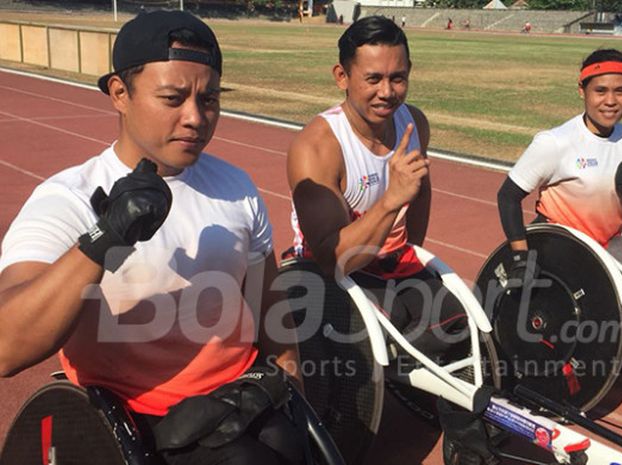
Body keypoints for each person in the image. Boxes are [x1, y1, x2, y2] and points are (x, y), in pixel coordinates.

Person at [0, 11, 303, 465]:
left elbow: (270, 311)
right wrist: (106, 237)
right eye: (173, 98)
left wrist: (289, 377)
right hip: (130, 422)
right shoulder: (69, 198)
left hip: (236, 405)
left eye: (210, 99)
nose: (195, 118)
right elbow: (7, 346)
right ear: (120, 93)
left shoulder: (237, 188)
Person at [286, 15, 497, 464]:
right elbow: (332, 259)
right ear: (342, 77)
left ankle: (469, 447)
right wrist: (389, 201)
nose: (388, 92)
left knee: (462, 321)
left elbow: (420, 193)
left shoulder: (412, 123)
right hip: (330, 278)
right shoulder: (318, 145)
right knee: (407, 325)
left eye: (398, 78)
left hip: (390, 262)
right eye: (374, 79)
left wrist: (413, 256)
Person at [497, 48, 622, 301]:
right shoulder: (555, 142)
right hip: (560, 245)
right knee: (601, 287)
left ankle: (608, 311)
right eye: (600, 90)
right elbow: (507, 196)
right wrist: (520, 256)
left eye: (621, 91)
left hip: (606, 244)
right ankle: (598, 310)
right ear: (582, 91)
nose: (611, 101)